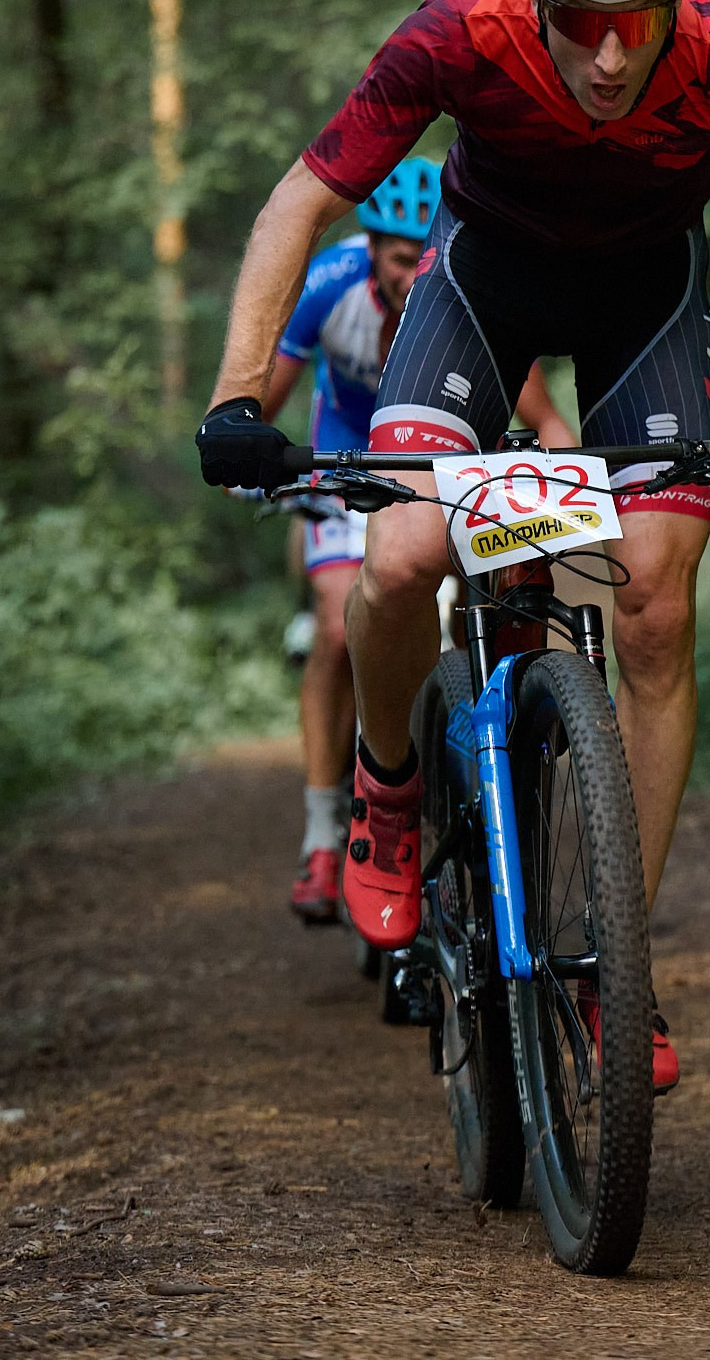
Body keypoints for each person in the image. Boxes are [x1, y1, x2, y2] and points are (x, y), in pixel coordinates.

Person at [197, 0, 710, 1092]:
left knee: (655, 608)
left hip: (645, 297)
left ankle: (613, 969)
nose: (612, 53)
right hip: (485, 285)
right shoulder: (458, 33)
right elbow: (299, 201)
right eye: (580, 18)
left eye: (638, 17)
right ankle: (390, 791)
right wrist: (236, 394)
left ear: (677, 0)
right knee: (404, 554)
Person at [254, 157, 571, 924]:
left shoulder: (463, 289)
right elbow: (264, 395)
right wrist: (249, 448)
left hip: (443, 459)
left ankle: (474, 745)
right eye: (401, 255)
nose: (414, 269)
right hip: (346, 455)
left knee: (484, 590)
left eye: (424, 252)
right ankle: (327, 832)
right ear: (372, 251)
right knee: (338, 623)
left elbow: (546, 415)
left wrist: (572, 475)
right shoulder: (330, 285)